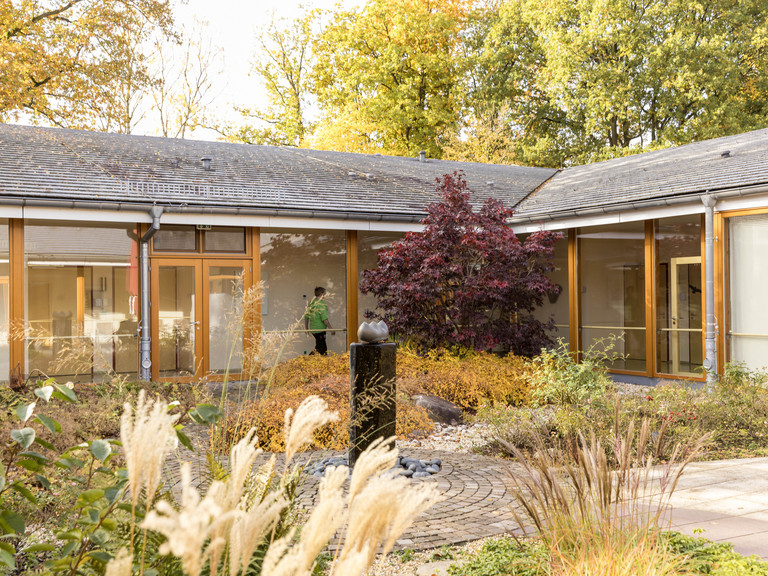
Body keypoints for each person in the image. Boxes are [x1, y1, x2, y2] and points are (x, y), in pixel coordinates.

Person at [305, 286, 334, 355]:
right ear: (321, 294)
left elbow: (306, 317)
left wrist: (306, 329)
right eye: (325, 293)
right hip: (320, 330)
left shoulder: (311, 303)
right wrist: (331, 329)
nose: (325, 295)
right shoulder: (321, 304)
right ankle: (307, 360)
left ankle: (311, 360)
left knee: (319, 347)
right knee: (322, 349)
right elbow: (324, 320)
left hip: (313, 330)